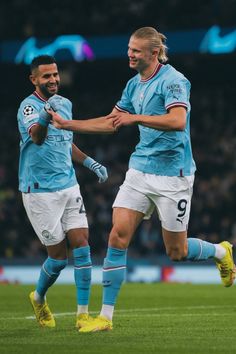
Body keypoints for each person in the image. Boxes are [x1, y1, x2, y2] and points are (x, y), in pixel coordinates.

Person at [49, 27, 236, 332]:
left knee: (176, 252)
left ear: (153, 53)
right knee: (117, 236)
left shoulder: (174, 80)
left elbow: (177, 121)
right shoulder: (133, 85)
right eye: (128, 48)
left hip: (174, 175)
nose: (130, 54)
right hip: (139, 170)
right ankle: (105, 318)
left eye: (135, 50)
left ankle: (220, 251)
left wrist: (136, 118)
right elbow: (112, 122)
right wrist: (68, 124)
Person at [17, 55, 113, 329]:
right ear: (34, 79)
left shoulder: (65, 105)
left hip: (69, 186)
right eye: (46, 76)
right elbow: (37, 136)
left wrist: (90, 162)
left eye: (55, 74)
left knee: (82, 245)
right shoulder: (28, 107)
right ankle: (38, 297)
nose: (53, 80)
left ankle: (82, 314)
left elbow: (65, 142)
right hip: (40, 192)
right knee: (58, 260)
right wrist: (46, 116)